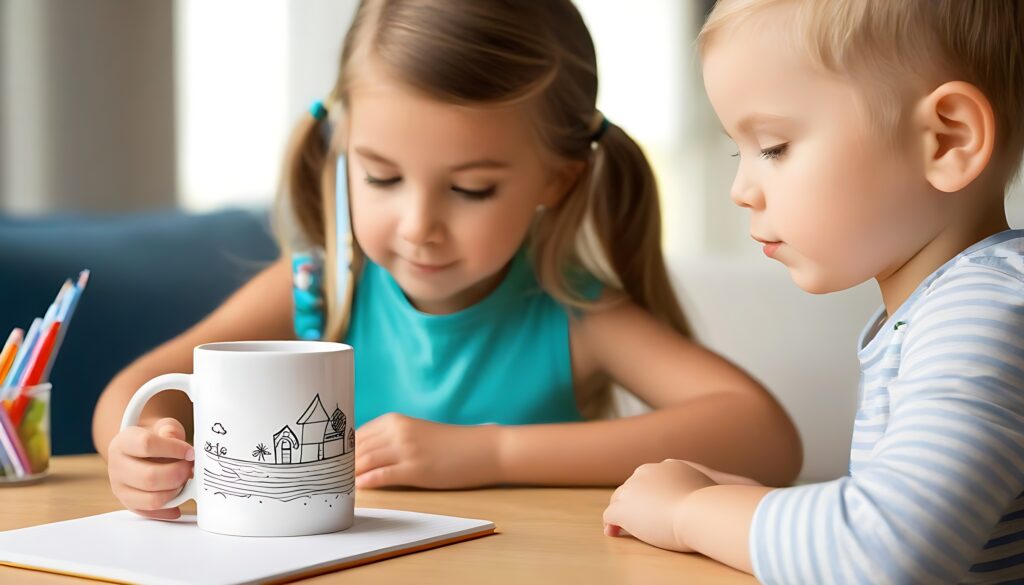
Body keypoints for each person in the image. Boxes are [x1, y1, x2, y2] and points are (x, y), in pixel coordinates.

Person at [94, 0, 801, 521]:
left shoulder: (571, 312)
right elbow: (141, 387)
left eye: (470, 189)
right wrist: (144, 444)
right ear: (342, 152)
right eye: (380, 177)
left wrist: (490, 454)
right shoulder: (321, 287)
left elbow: (764, 438)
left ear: (555, 180)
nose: (419, 225)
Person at [603, 1, 1024, 583]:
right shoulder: (951, 305)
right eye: (737, 150)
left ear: (945, 140)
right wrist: (755, 504)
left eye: (773, 147)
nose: (741, 189)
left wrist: (689, 512)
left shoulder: (980, 316)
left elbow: (882, 552)